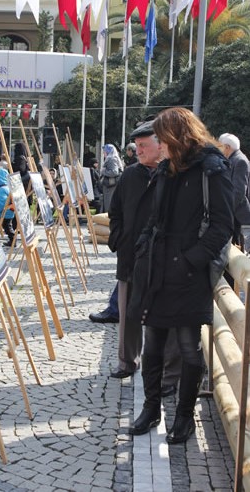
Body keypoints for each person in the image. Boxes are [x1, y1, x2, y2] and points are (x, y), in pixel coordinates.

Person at [127, 107, 234, 444]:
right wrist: (143, 248)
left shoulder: (212, 169)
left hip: (189, 274)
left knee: (189, 349)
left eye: (162, 137)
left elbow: (223, 225)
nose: (159, 144)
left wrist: (192, 260)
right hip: (158, 270)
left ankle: (184, 417)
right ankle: (151, 408)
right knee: (153, 345)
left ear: (178, 136)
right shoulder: (165, 170)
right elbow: (153, 219)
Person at [107, 121, 182, 396]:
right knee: (129, 313)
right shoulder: (130, 175)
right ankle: (127, 361)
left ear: (160, 145)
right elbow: (114, 211)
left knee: (166, 316)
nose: (137, 151)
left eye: (142, 146)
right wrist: (118, 239)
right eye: (136, 147)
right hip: (130, 256)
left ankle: (168, 374)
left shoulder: (174, 174)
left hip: (163, 260)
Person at [218, 133, 250, 244]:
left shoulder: (240, 160)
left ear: (227, 147)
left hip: (239, 216)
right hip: (234, 215)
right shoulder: (233, 159)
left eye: (220, 147)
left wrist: (225, 210)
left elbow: (238, 192)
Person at [0, 168, 16, 248]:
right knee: (7, 226)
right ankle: (12, 240)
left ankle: (12, 241)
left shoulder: (2, 189)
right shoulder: (7, 187)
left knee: (3, 227)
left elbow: (2, 202)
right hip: (9, 212)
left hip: (4, 213)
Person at [101, 144, 123, 212]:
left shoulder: (111, 158)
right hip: (112, 185)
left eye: (104, 151)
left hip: (110, 186)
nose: (103, 153)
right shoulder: (113, 157)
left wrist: (103, 171)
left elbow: (114, 172)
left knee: (109, 203)